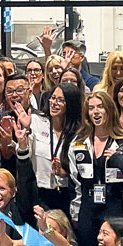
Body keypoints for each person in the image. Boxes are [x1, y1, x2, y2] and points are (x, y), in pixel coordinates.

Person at [68, 91, 123, 246]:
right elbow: (75, 182)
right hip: (88, 205)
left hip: (114, 204)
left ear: (109, 110)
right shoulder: (78, 142)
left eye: (100, 107)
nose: (96, 112)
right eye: (91, 108)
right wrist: (75, 212)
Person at [27, 83, 81, 213]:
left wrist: (66, 172)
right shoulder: (36, 121)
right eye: (53, 98)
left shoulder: (79, 131)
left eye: (61, 100)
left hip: (67, 193)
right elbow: (25, 152)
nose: (54, 103)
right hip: (40, 192)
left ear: (71, 104)